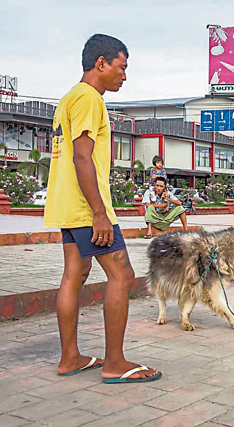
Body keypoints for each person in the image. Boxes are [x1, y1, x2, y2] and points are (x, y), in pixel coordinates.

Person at [43, 34, 160, 383]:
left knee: (74, 276)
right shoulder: (89, 99)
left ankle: (71, 358)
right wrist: (98, 212)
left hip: (67, 204)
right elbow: (82, 157)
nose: (125, 76)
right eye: (122, 67)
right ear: (102, 64)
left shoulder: (68, 98)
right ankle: (115, 363)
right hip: (85, 208)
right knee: (122, 276)